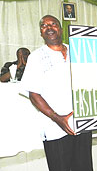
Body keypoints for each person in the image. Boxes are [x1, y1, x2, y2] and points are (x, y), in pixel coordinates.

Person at [21, 15, 93, 171]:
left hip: (83, 123)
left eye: (53, 24)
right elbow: (34, 94)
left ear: (60, 29)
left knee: (84, 167)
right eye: (44, 26)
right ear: (41, 33)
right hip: (54, 127)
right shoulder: (36, 57)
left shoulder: (77, 51)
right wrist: (57, 118)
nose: (48, 27)